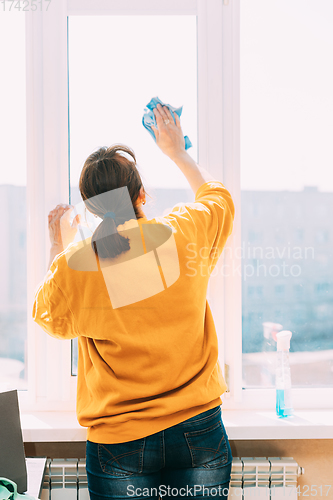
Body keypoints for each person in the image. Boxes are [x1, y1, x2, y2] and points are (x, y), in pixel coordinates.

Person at [32, 103, 235, 499]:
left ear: (89, 207)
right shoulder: (184, 231)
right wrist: (175, 151)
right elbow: (219, 198)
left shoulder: (78, 265)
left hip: (118, 441)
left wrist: (59, 243)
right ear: (142, 194)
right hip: (199, 429)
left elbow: (49, 317)